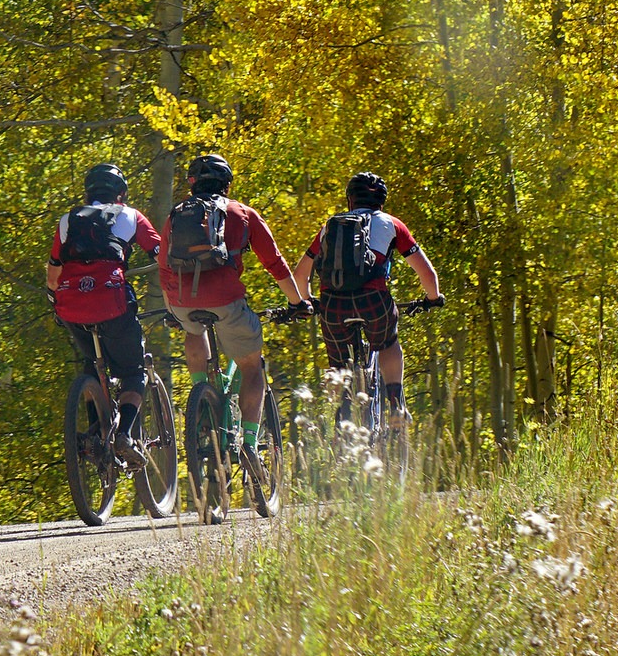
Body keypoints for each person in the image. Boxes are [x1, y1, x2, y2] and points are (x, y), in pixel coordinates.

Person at [158, 154, 310, 476]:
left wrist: (173, 307)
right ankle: (251, 443)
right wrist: (297, 302)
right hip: (227, 303)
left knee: (193, 330)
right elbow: (276, 264)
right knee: (252, 367)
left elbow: (163, 266)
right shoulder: (242, 213)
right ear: (227, 184)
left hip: (183, 303)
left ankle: (202, 398)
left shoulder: (176, 215)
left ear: (192, 184)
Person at [291, 171, 444, 429]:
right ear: (381, 203)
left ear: (349, 200)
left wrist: (309, 301)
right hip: (373, 302)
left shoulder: (330, 226)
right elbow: (426, 273)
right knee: (387, 342)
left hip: (333, 305)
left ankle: (343, 420)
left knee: (339, 364)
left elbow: (299, 274)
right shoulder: (392, 224)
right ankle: (396, 404)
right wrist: (433, 298)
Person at [46, 163, 162, 465]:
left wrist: (54, 301)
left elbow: (52, 273)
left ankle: (94, 436)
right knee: (133, 371)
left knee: (90, 363)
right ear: (121, 193)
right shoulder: (131, 216)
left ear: (88, 192)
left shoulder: (68, 220)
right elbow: (161, 256)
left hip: (71, 303)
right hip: (112, 301)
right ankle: (124, 434)